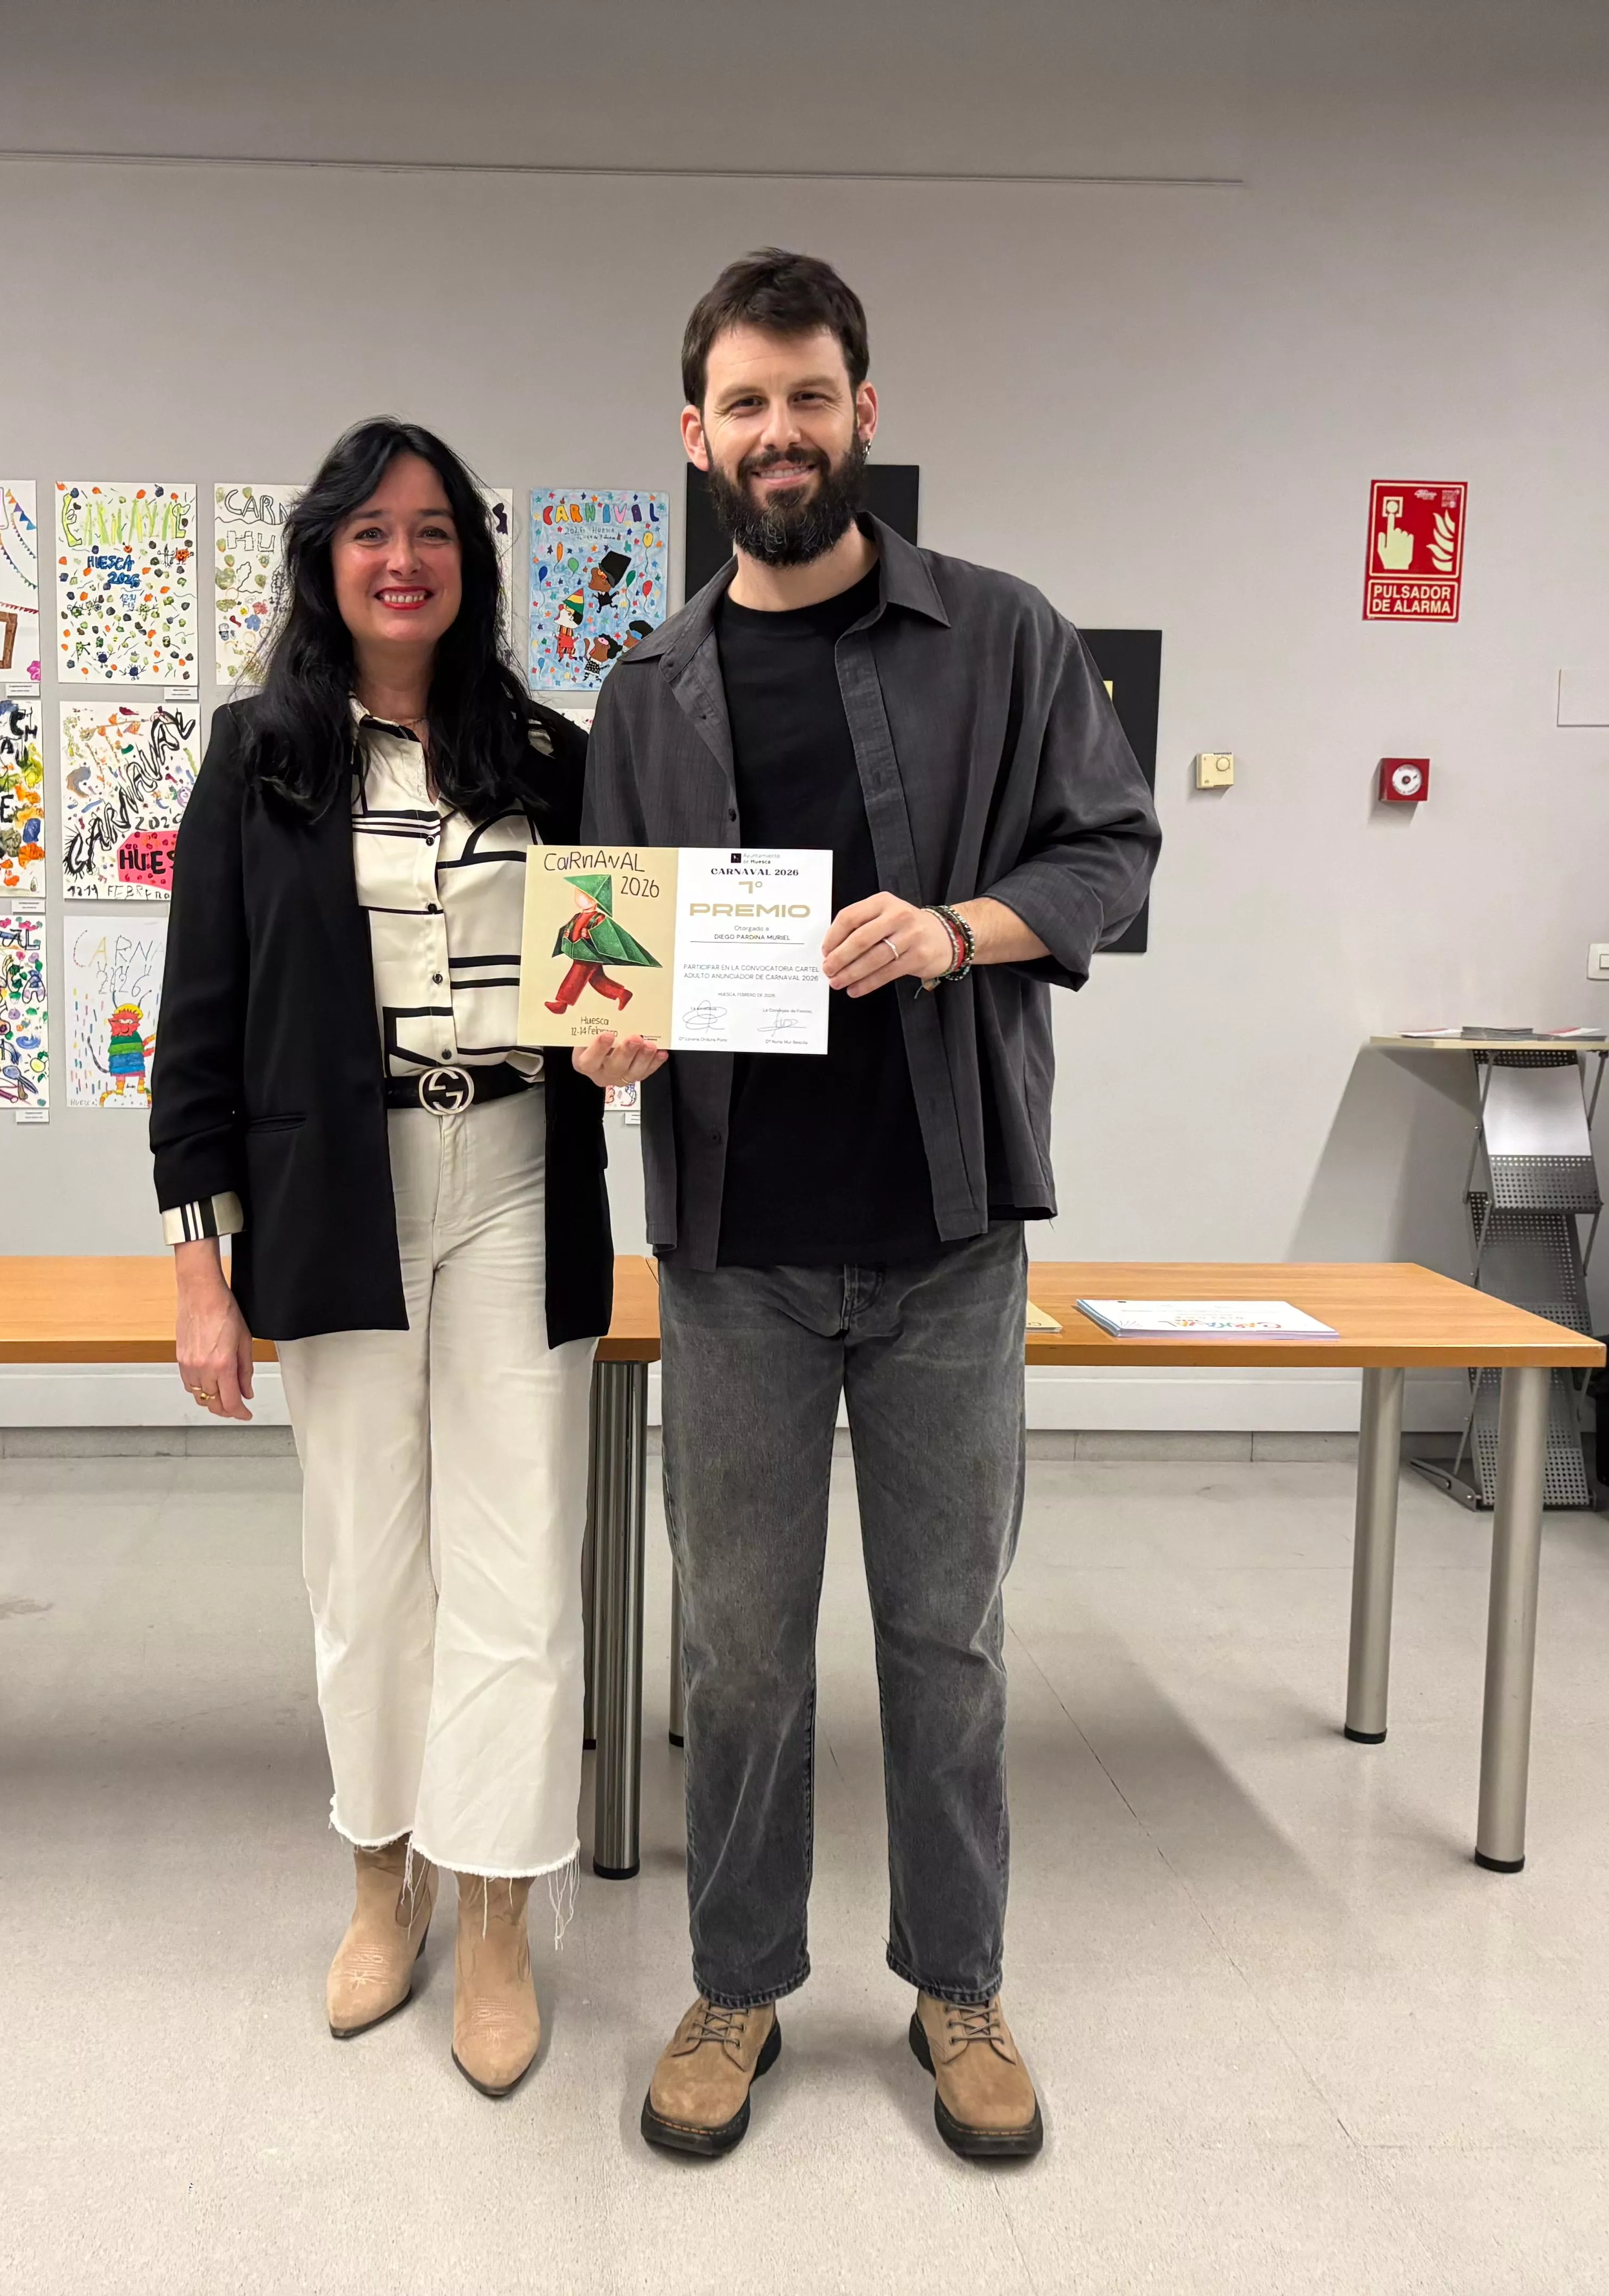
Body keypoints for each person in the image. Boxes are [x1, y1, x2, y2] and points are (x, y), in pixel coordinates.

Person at [576, 249, 1160, 2161]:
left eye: (807, 396)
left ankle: (955, 1980)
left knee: (945, 1632)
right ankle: (737, 1982)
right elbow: (608, 944)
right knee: (736, 1646)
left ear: (862, 414)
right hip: (732, 1252)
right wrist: (609, 1037)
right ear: (694, 435)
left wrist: (959, 928)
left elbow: (1109, 847)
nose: (777, 433)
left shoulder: (998, 635)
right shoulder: (642, 688)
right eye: (741, 404)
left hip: (944, 1242)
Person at [154, 419, 612, 2096]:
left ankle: (492, 1908)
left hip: (515, 1170)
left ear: (470, 563)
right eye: (368, 531)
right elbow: (195, 1031)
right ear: (323, 561)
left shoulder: (557, 757)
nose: (401, 557)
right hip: (332, 1191)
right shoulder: (255, 758)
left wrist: (634, 1041)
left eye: (431, 530)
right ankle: (379, 1876)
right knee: (364, 1561)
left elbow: (614, 977)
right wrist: (200, 1269)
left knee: (516, 1560)